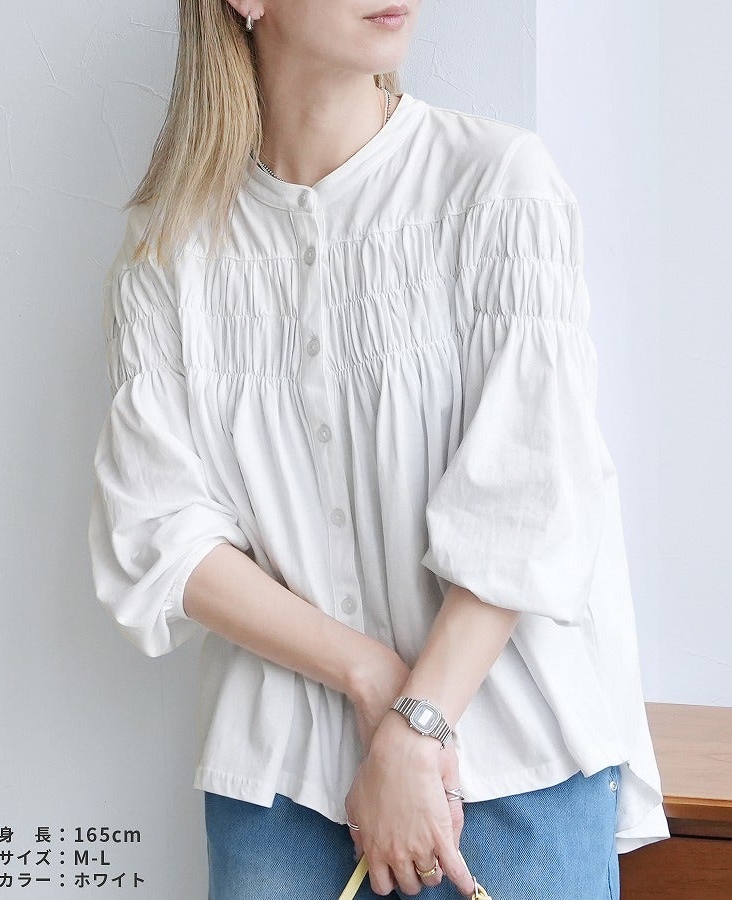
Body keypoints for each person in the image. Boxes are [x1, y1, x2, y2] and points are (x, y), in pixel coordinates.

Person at [87, 1, 671, 898]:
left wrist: (416, 728)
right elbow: (158, 534)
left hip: (513, 775)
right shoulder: (169, 249)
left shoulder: (496, 183)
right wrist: (369, 676)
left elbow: (530, 500)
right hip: (279, 797)